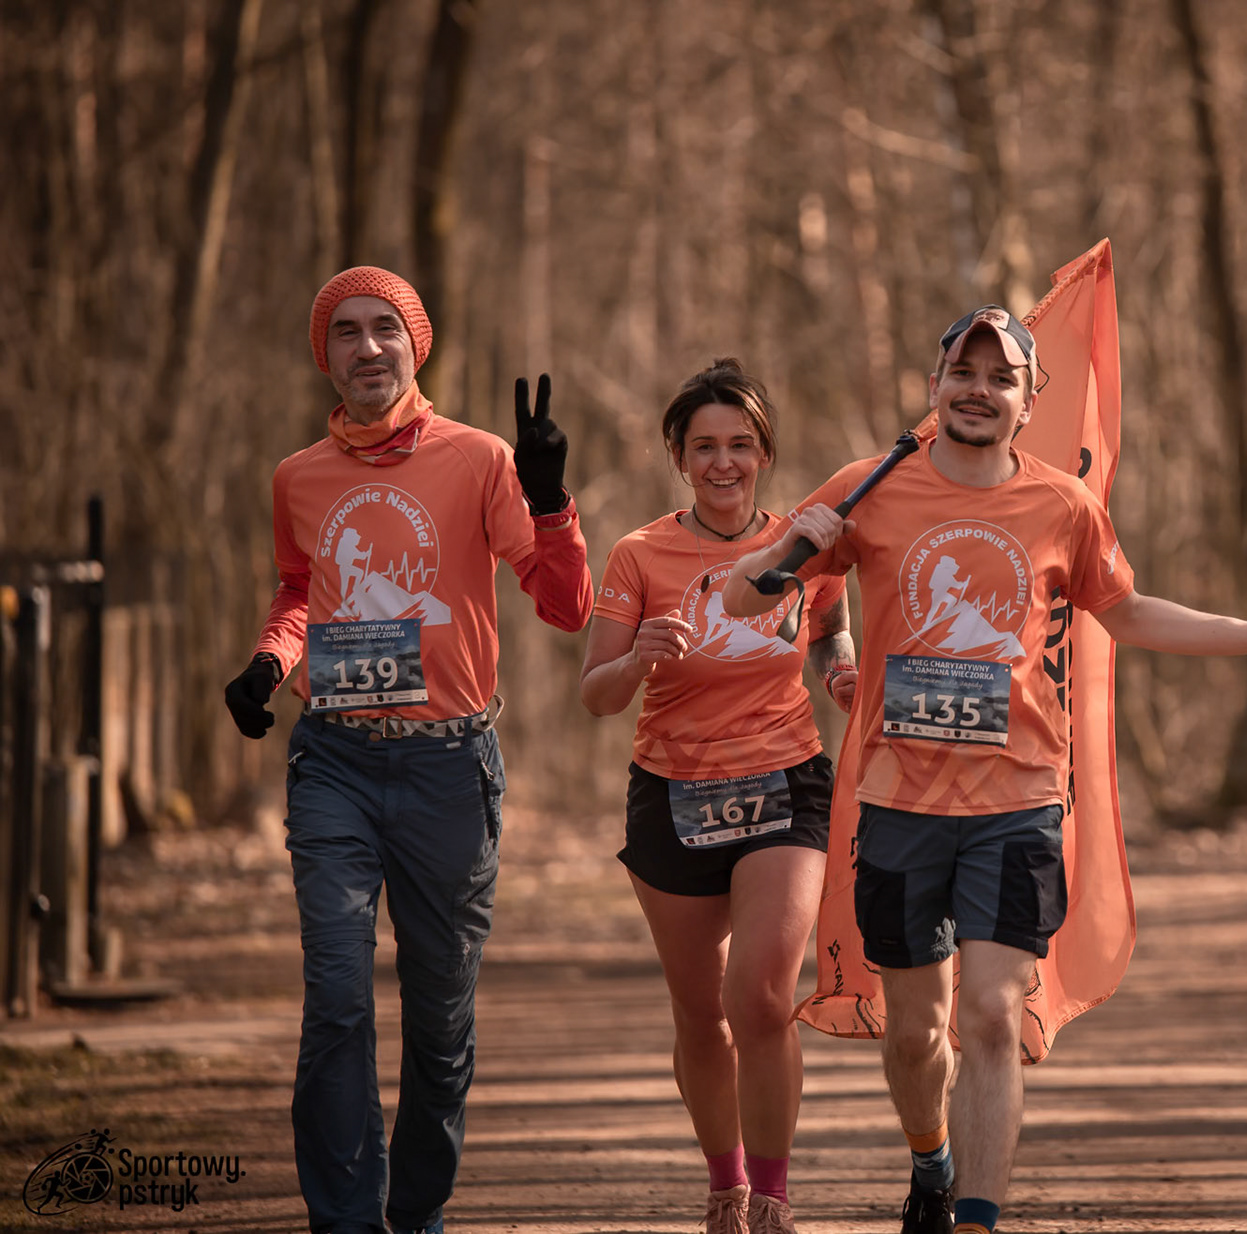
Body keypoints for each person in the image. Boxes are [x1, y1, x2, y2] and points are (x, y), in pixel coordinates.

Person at [722, 306, 1247, 1234]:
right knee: (915, 1034)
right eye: (963, 373)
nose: (979, 391)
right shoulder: (871, 486)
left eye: (1001, 378)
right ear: (934, 387)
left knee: (989, 1015)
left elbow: (1128, 612)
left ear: (1027, 403)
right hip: (900, 801)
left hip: (1018, 801)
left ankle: (976, 1222)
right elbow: (743, 601)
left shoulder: (1064, 504)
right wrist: (792, 546)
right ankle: (932, 1161)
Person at [222, 266, 593, 1234]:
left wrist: (549, 500)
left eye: (386, 327)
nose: (368, 347)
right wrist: (268, 663)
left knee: (439, 1013)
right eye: (345, 332)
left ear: (416, 345)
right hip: (335, 761)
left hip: (447, 769)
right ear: (325, 355)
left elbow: (565, 607)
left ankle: (416, 1208)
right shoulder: (298, 476)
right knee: (337, 998)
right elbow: (300, 590)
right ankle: (346, 1220)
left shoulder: (477, 458)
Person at [578, 360, 856, 1234]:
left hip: (786, 783)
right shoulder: (638, 555)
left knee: (761, 997)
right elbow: (596, 694)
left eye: (740, 444)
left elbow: (828, 632)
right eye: (704, 447)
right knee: (703, 1017)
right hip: (673, 793)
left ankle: (773, 1198)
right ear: (678, 456)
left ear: (764, 452)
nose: (723, 463)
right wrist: (637, 659)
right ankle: (726, 1184)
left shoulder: (807, 542)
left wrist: (840, 673)